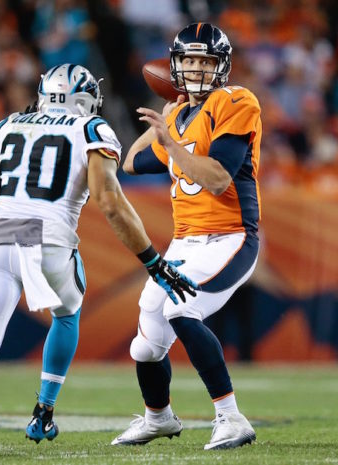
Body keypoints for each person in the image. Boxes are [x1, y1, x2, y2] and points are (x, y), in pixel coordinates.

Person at [0, 63, 197, 447]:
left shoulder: (11, 124)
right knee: (67, 311)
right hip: (47, 234)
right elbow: (109, 200)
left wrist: (20, 130)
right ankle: (44, 412)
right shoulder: (92, 129)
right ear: (87, 100)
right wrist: (152, 261)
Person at [111, 22, 262, 450]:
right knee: (146, 345)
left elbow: (216, 179)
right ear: (176, 66)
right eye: (189, 61)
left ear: (222, 67)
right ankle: (158, 418)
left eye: (205, 61)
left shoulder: (236, 101)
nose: (196, 69)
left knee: (185, 309)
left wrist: (174, 146)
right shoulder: (178, 115)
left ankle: (231, 419)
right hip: (185, 243)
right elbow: (132, 162)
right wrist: (166, 125)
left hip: (230, 237)